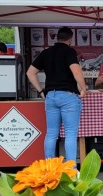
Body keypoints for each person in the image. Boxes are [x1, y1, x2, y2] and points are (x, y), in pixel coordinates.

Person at [26, 26, 86, 163]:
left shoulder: (46, 52)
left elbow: (30, 72)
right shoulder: (69, 52)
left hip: (50, 96)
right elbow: (76, 71)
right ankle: (70, 168)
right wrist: (83, 89)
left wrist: (40, 91)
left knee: (51, 133)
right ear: (70, 40)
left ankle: (49, 166)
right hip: (68, 96)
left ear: (57, 38)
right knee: (70, 134)